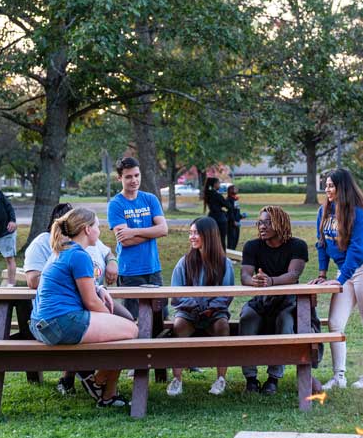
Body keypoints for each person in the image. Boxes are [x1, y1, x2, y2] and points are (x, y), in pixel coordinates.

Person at [29, 208, 138, 407]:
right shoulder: (79, 255)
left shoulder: (63, 250)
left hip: (41, 324)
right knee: (131, 330)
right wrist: (110, 318)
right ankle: (95, 382)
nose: (100, 230)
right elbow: (91, 302)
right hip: (60, 323)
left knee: (122, 330)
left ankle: (108, 395)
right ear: (87, 229)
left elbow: (80, 285)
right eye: (97, 226)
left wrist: (99, 287)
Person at [310, 168, 363, 389]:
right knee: (335, 322)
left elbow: (357, 250)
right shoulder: (323, 211)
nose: (327, 189)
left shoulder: (358, 213)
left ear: (342, 187)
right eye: (326, 185)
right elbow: (321, 243)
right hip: (345, 273)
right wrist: (323, 273)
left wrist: (341, 279)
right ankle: (339, 377)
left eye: (331, 185)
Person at [239, 205, 308, 395]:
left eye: (267, 222)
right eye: (260, 222)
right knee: (246, 318)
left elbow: (293, 274)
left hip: (287, 301)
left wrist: (271, 281)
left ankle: (273, 378)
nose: (262, 226)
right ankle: (251, 378)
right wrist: (253, 281)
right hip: (262, 300)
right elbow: (245, 275)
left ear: (280, 224)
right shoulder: (252, 246)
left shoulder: (297, 245)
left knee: (285, 322)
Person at [166, 217, 235, 397]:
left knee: (223, 326)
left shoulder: (224, 263)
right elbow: (176, 293)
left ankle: (220, 378)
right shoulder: (185, 262)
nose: (192, 237)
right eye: (190, 233)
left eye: (195, 233)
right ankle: (177, 379)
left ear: (208, 235)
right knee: (178, 326)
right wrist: (194, 306)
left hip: (214, 313)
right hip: (189, 313)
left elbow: (227, 293)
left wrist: (211, 308)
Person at [107, 157, 169, 319]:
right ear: (119, 178)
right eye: (128, 177)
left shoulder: (150, 199)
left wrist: (134, 231)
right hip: (130, 272)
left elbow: (163, 229)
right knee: (132, 319)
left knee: (160, 319)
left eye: (136, 175)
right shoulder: (115, 204)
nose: (134, 180)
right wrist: (152, 232)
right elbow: (125, 241)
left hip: (153, 269)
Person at [203, 177, 229, 250]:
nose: (219, 185)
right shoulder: (216, 195)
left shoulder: (208, 193)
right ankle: (222, 257)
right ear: (214, 184)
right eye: (218, 183)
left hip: (211, 217)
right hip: (220, 219)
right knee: (221, 239)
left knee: (212, 239)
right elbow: (228, 205)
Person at [225, 185, 243, 250]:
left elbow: (236, 210)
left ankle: (233, 256)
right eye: (235, 188)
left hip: (237, 222)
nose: (237, 189)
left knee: (235, 240)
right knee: (231, 241)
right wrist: (233, 221)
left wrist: (241, 216)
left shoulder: (235, 199)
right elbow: (229, 212)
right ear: (230, 190)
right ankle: (230, 257)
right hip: (231, 224)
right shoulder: (228, 200)